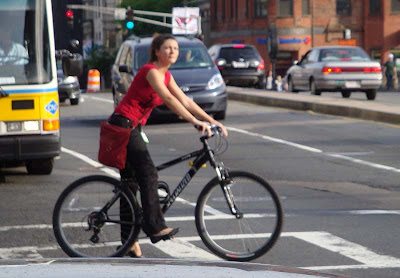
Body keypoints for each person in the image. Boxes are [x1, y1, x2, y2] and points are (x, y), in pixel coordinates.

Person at [108, 34, 228, 258]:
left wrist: (211, 120)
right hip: (124, 127)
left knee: (131, 185)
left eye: (175, 48)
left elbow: (185, 100)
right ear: (157, 51)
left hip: (132, 127)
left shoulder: (166, 74)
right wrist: (194, 122)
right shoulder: (151, 72)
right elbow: (170, 101)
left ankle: (128, 243)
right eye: (168, 48)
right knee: (149, 174)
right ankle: (155, 227)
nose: (173, 51)